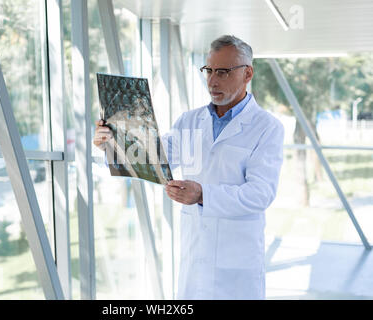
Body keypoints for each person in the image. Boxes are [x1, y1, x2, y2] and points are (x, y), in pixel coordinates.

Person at [93, 35, 284, 300]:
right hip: (197, 255)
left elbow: (261, 193)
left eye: (223, 72)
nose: (212, 81)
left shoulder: (267, 128)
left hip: (237, 261)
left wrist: (203, 194)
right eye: (209, 71)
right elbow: (154, 159)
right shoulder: (190, 121)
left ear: (247, 73)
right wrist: (111, 142)